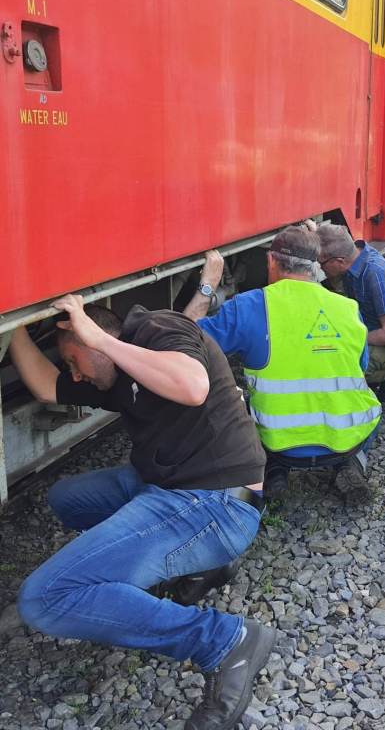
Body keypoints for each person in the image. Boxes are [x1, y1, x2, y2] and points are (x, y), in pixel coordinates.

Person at [9, 296, 275, 730]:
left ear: (96, 339)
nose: (74, 373)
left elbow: (193, 387)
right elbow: (46, 386)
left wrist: (96, 339)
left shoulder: (157, 328)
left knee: (44, 598)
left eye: (74, 360)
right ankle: (178, 565)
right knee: (67, 497)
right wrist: (12, 324)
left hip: (216, 501)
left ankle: (223, 640)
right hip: (169, 483)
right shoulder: (107, 372)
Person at [190, 226, 381, 504]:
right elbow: (360, 367)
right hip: (350, 437)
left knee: (232, 399)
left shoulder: (249, 306)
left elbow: (185, 340)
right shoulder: (348, 307)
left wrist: (208, 284)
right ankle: (350, 464)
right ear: (316, 266)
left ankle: (272, 467)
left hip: (278, 443)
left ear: (271, 261)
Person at [315, 224, 385, 403]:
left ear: (339, 261)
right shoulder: (354, 257)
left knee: (344, 360)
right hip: (372, 326)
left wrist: (348, 338)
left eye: (322, 263)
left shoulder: (376, 274)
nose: (320, 268)